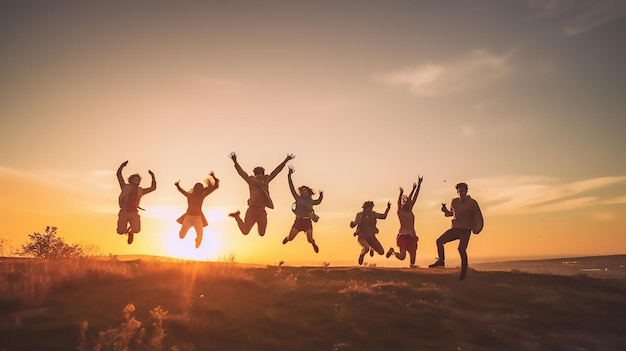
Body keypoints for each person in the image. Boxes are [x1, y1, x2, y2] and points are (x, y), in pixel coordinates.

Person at [228, 152, 295, 236]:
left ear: (262, 174)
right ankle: (237, 217)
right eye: (258, 174)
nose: (259, 176)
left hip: (261, 212)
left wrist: (285, 161)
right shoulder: (252, 181)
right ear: (255, 175)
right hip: (252, 211)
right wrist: (235, 162)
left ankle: (239, 217)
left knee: (261, 233)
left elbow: (276, 171)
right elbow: (241, 173)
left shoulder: (265, 181)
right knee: (246, 231)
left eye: (261, 174)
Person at [428, 182, 484, 280]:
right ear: (457, 192)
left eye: (462, 191)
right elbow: (452, 213)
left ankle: (464, 271)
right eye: (459, 191)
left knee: (461, 249)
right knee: (439, 241)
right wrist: (445, 211)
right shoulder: (454, 201)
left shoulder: (472, 203)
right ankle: (441, 261)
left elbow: (479, 217)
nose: (461, 193)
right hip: (456, 228)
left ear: (466, 191)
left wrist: (477, 229)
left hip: (466, 230)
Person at [282, 165, 323, 253]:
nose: (304, 192)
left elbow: (318, 202)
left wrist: (321, 196)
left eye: (305, 190)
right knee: (291, 238)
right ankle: (287, 238)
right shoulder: (297, 198)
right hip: (298, 221)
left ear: (308, 192)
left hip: (307, 222)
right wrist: (289, 176)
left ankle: (313, 244)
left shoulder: (311, 201)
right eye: (302, 190)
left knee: (309, 239)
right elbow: (291, 188)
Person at [116, 160, 157, 245]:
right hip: (124, 212)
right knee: (120, 231)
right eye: (135, 179)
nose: (137, 181)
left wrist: (153, 176)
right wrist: (122, 166)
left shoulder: (140, 190)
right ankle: (126, 231)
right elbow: (118, 175)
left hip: (134, 213)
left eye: (138, 180)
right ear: (131, 180)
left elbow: (153, 188)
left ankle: (131, 233)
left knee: (137, 229)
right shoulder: (125, 187)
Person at [175, 172, 220, 249]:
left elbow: (216, 186)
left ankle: (198, 241)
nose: (199, 190)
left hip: (198, 219)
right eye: (197, 188)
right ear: (195, 189)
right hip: (188, 218)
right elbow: (182, 191)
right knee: (181, 236)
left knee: (200, 236)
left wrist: (214, 177)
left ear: (201, 190)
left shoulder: (202, 195)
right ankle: (182, 233)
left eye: (200, 189)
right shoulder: (190, 195)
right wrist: (178, 186)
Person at [386, 175, 423, 267]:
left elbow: (414, 197)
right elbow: (399, 203)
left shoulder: (410, 210)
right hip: (403, 235)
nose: (410, 203)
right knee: (402, 257)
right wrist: (400, 193)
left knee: (413, 261)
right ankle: (392, 252)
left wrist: (418, 185)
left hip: (412, 235)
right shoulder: (400, 211)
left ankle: (412, 267)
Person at [350, 200, 391, 265]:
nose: (370, 210)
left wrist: (388, 209)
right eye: (369, 208)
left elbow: (383, 216)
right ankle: (362, 254)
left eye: (371, 208)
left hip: (371, 237)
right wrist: (352, 225)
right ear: (365, 208)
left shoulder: (373, 214)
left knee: (381, 252)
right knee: (366, 248)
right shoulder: (359, 215)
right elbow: (355, 223)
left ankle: (372, 248)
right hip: (362, 236)